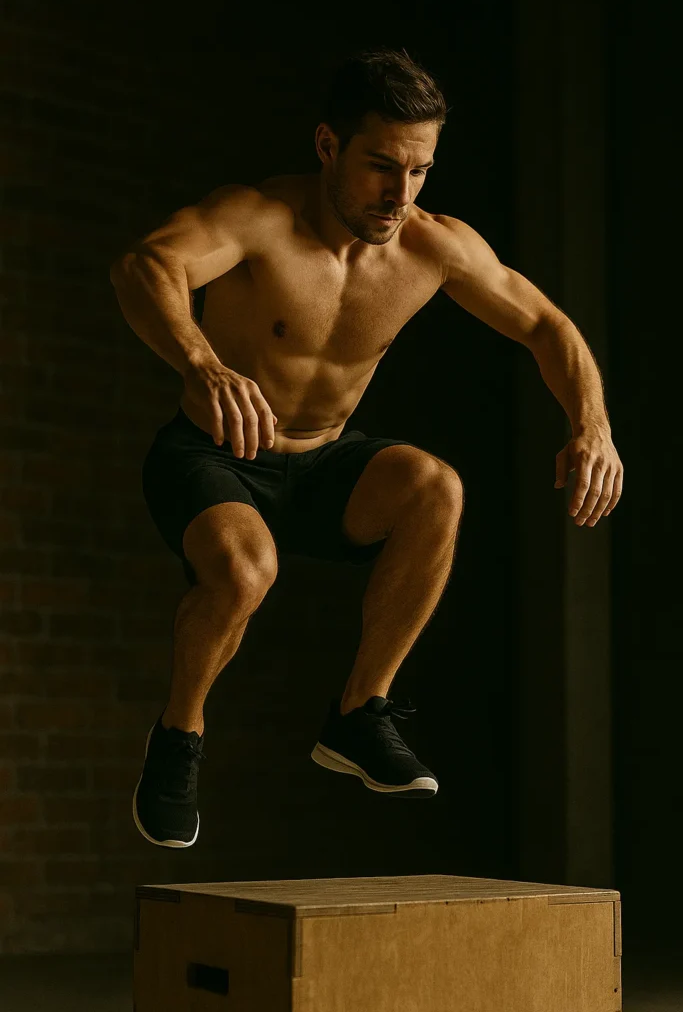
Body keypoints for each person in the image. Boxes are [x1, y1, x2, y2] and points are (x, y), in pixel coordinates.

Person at [110, 47, 623, 849]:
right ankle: (179, 734)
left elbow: (545, 325)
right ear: (328, 146)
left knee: (434, 486)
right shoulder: (258, 218)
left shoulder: (432, 247)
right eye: (382, 166)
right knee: (246, 573)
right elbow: (145, 265)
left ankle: (359, 711)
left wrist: (591, 424)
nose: (400, 193)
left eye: (419, 171)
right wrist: (201, 364)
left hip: (322, 463)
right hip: (213, 454)